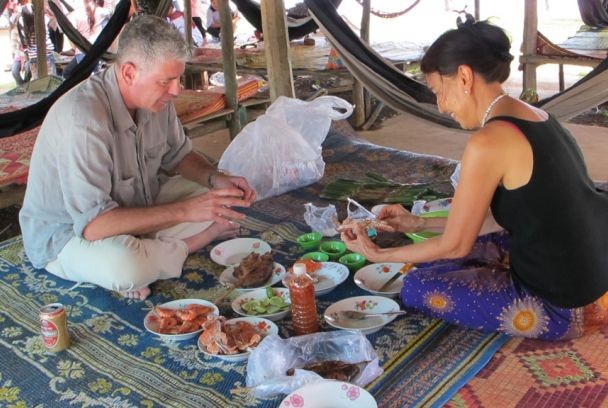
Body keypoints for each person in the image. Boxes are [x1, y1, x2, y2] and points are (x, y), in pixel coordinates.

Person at [340, 20, 608, 340]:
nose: (441, 106)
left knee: (415, 286)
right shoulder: (534, 115)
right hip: (593, 271)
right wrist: (415, 223)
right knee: (429, 257)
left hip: (568, 305)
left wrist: (379, 255)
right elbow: (488, 220)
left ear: (465, 77)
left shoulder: (489, 141)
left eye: (440, 91)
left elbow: (456, 244)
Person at [19, 15, 256, 301]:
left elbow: (178, 155)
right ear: (129, 73)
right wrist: (186, 211)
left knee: (220, 198)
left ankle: (153, 250)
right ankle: (193, 242)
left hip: (134, 204)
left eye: (178, 78)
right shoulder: (84, 120)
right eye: (166, 81)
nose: (176, 90)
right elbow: (94, 226)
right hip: (69, 235)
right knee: (126, 266)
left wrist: (216, 179)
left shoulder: (156, 100)